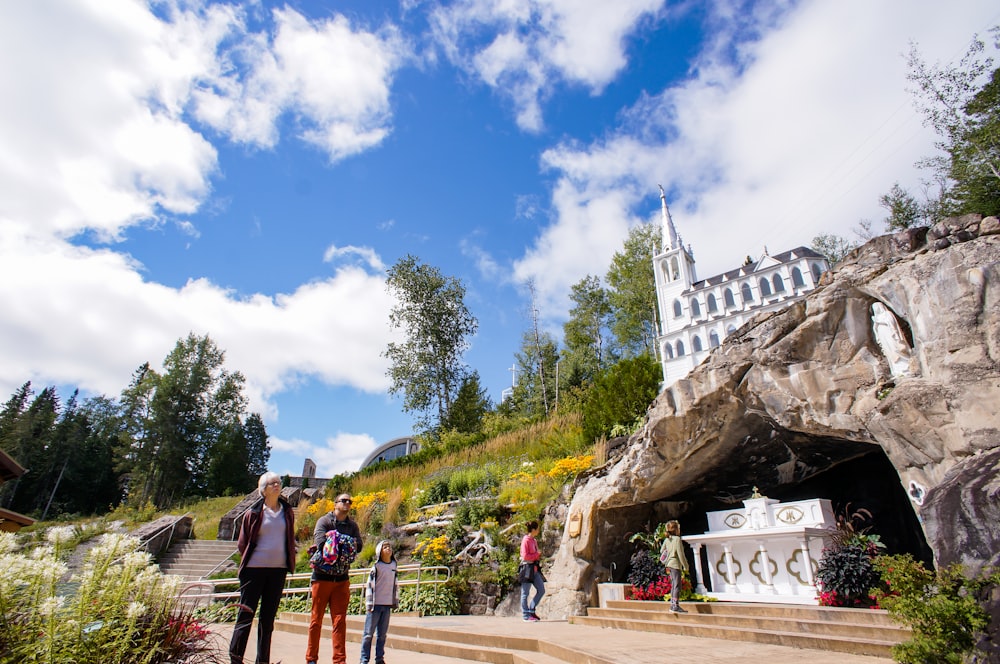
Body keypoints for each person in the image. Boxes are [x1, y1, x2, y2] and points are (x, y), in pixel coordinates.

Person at [230, 471, 296, 664]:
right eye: (272, 483)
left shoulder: (287, 511)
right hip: (254, 570)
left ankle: (263, 660)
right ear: (263, 490)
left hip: (278, 570)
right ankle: (236, 658)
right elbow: (243, 543)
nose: (277, 485)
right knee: (245, 615)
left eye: (278, 482)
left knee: (268, 619)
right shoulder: (254, 512)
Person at [307, 493, 363, 664]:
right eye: (343, 500)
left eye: (349, 501)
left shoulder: (352, 525)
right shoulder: (324, 521)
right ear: (335, 504)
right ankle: (311, 659)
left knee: (339, 621)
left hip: (341, 578)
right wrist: (346, 543)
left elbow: (359, 546)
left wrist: (336, 539)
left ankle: (339, 660)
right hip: (322, 577)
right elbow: (321, 543)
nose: (347, 503)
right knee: (316, 620)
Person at [360, 540, 399, 664]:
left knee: (382, 635)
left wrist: (395, 601)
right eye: (385, 547)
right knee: (368, 634)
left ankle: (379, 658)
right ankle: (364, 659)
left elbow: (395, 584)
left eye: (389, 547)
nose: (388, 549)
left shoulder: (394, 565)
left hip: (387, 605)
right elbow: (370, 585)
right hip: (375, 605)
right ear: (380, 551)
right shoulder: (376, 567)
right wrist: (369, 603)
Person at [659, 520, 688, 613]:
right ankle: (675, 606)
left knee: (674, 585)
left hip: (669, 564)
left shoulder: (667, 539)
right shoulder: (677, 539)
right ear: (676, 529)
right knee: (677, 585)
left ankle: (673, 604)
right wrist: (686, 566)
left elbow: (661, 550)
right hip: (675, 564)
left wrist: (669, 551)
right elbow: (681, 554)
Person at [519, 520, 545, 622]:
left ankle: (531, 610)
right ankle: (526, 615)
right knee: (525, 593)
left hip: (534, 569)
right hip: (527, 568)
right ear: (533, 529)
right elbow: (525, 555)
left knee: (541, 590)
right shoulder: (526, 540)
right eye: (537, 528)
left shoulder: (534, 540)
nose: (538, 530)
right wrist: (536, 555)